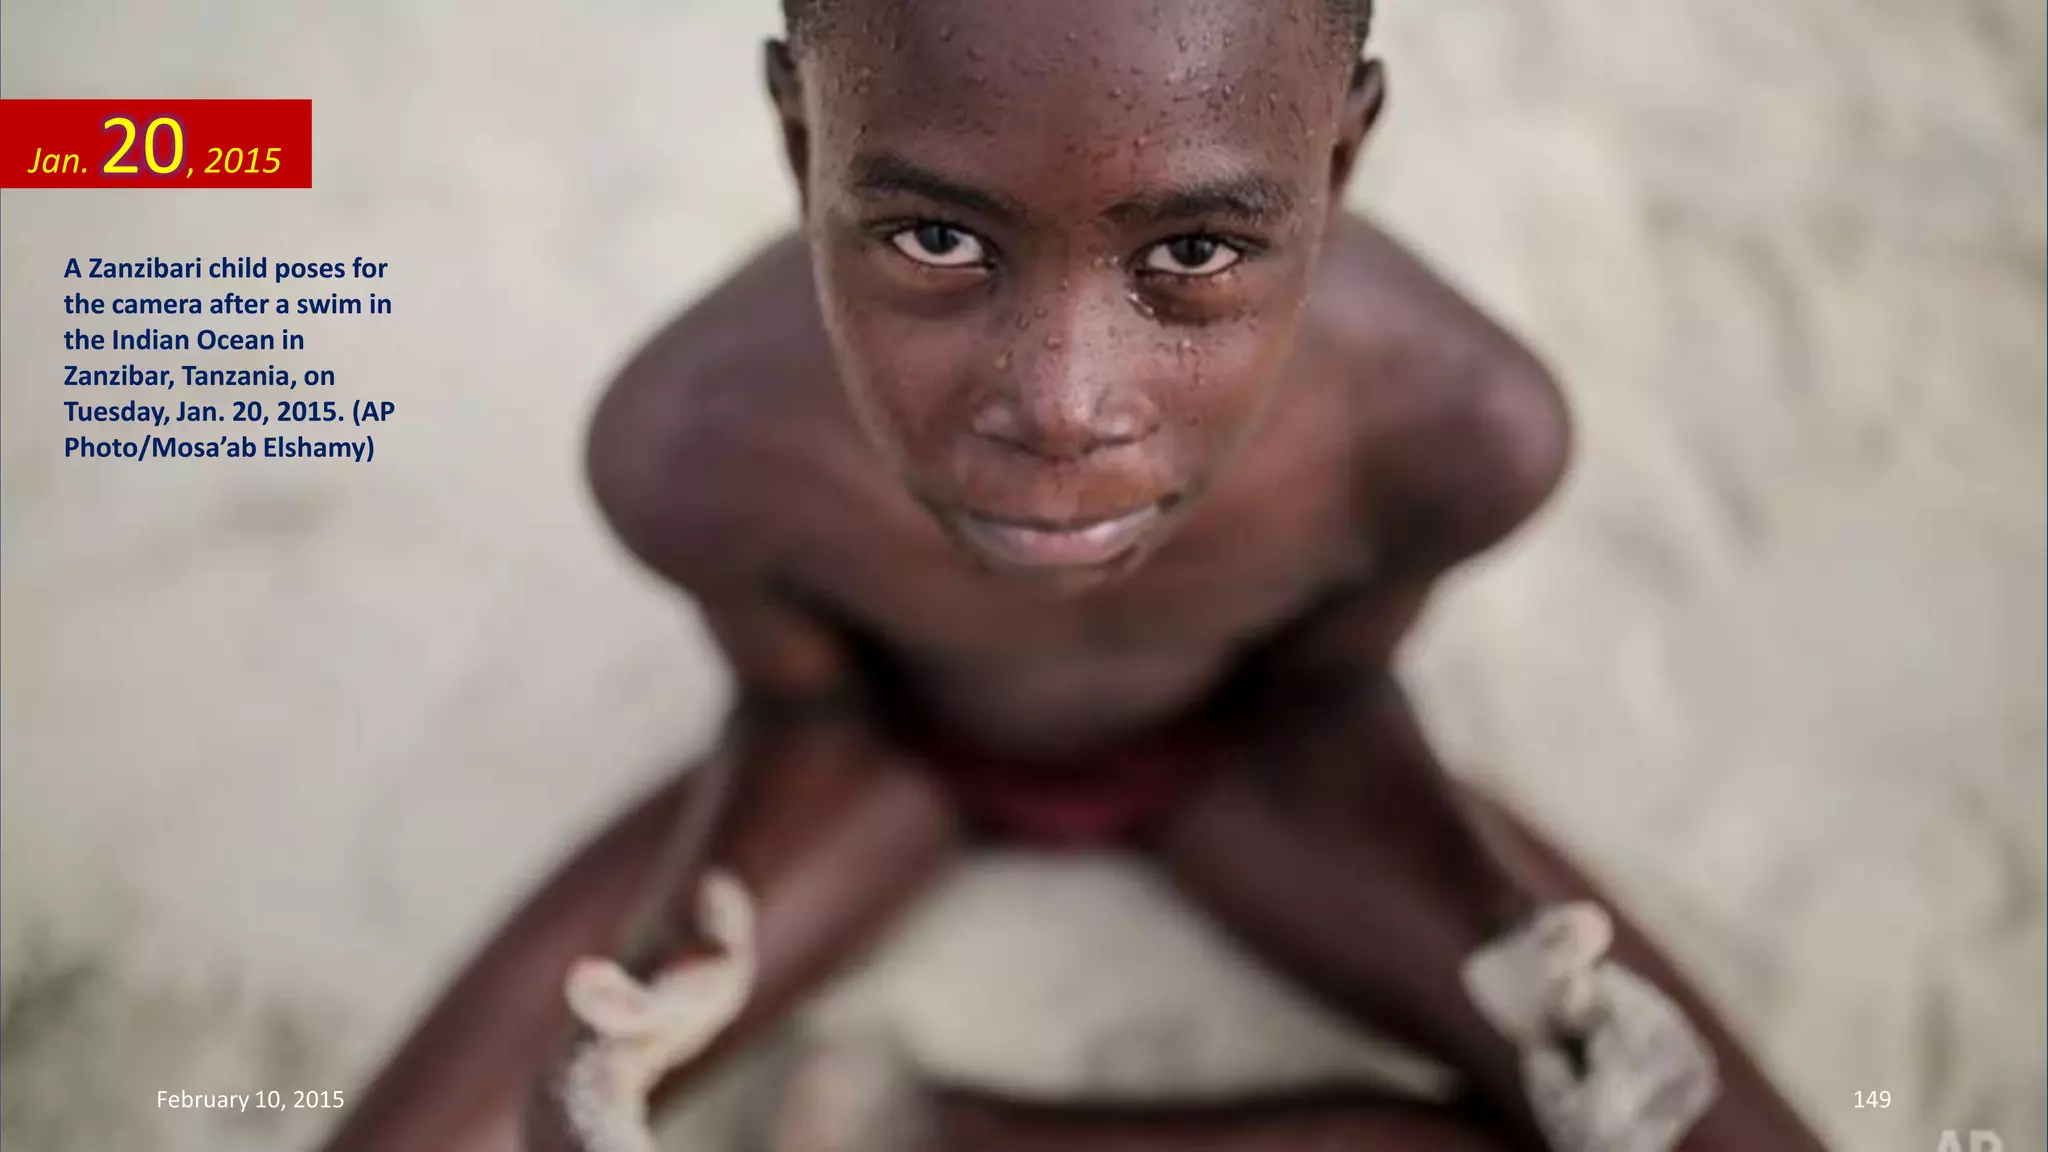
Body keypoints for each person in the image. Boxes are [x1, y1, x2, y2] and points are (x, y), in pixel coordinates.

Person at [320, 0, 1829, 1148]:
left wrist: (1478, 908)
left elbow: (1324, 693)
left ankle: (952, 1127)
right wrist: (666, 965)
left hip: (1248, 770)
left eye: (1191, 256)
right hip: (889, 771)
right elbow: (807, 717)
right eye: (932, 235)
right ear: (800, 144)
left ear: (1343, 154)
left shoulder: (1458, 430)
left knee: (1677, 1113)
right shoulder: (698, 449)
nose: (1059, 405)